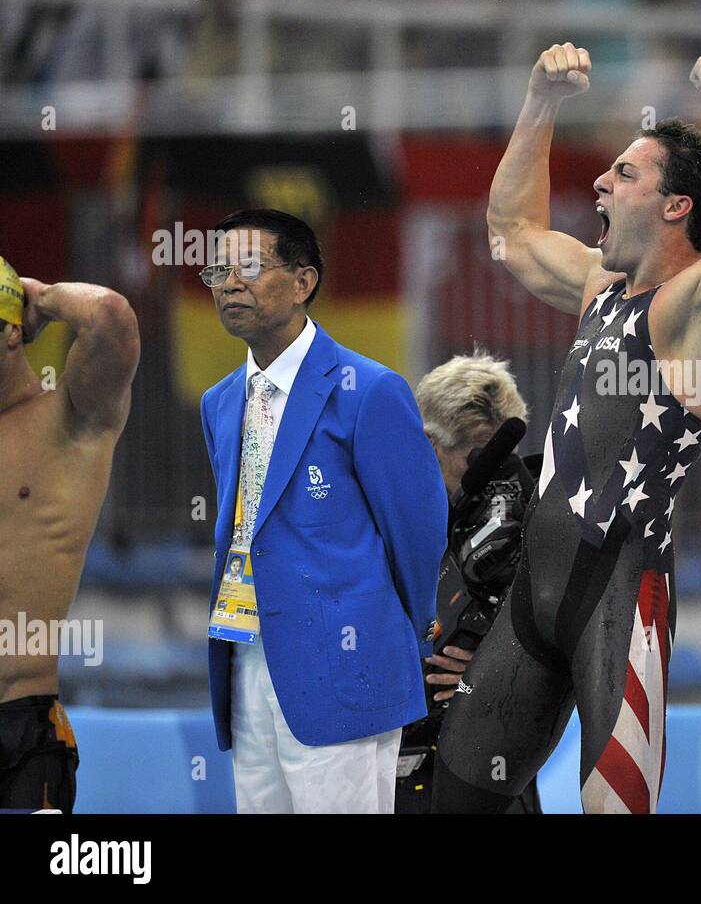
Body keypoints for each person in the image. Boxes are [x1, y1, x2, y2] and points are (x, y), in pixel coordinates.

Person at [429, 42, 701, 813]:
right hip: (536, 594)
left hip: (618, 599)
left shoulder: (694, 306)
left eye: (625, 173)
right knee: (451, 801)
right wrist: (539, 102)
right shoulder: (602, 287)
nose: (600, 180)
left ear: (676, 206)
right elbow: (510, 233)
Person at [199, 209, 447, 813]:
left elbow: (418, 535)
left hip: (345, 662)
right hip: (246, 658)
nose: (230, 283)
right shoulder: (220, 401)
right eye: (218, 271)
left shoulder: (370, 390)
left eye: (250, 267)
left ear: (304, 282)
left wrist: (389, 641)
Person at [0, 256, 140, 812]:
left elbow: (110, 315)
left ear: (13, 332)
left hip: (20, 724)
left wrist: (38, 295)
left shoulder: (71, 419)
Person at [396, 349, 540, 814]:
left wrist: (494, 672)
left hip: (495, 763)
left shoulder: (538, 520)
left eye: (506, 459)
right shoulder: (382, 522)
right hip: (395, 761)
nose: (496, 480)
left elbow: (572, 649)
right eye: (476, 462)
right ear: (428, 445)